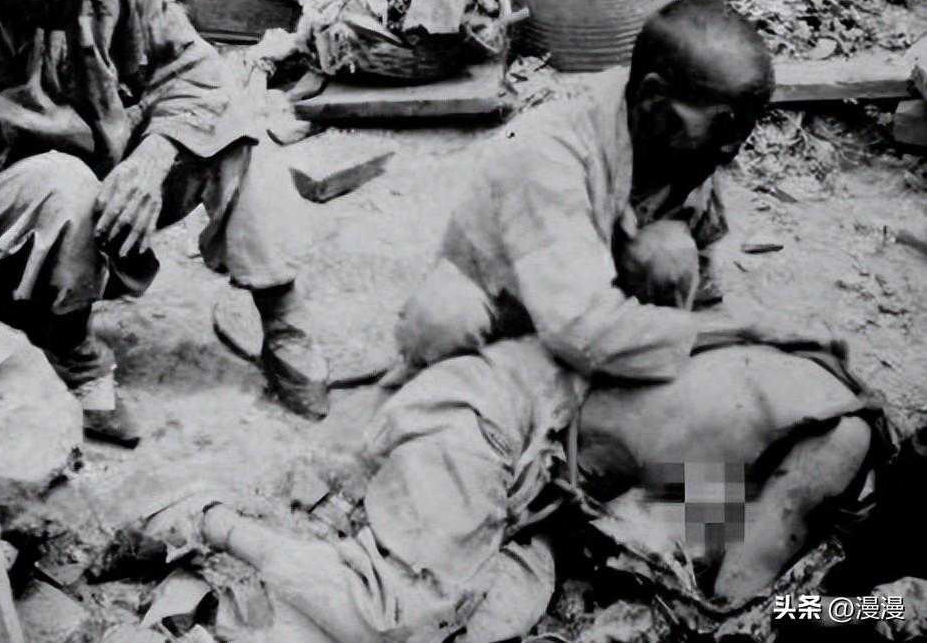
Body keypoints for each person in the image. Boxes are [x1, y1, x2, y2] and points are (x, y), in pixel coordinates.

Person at [139, 230, 883, 640]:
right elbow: (734, 604)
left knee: (493, 622)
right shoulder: (839, 443)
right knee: (397, 619)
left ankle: (236, 611)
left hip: (540, 471)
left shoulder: (817, 402)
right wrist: (869, 609)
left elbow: (674, 511)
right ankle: (203, 517)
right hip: (484, 419)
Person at [0, 0, 328, 443]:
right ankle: (72, 353)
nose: (89, 0)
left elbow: (195, 72)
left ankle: (283, 318)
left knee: (231, 121)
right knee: (63, 183)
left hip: (103, 166)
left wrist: (154, 155)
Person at [390, 0, 774, 385]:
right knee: (447, 316)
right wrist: (742, 330)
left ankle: (616, 386)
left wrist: (721, 339)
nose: (733, 147)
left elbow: (703, 283)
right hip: (509, 311)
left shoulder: (684, 145)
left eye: (744, 128)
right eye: (724, 124)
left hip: (594, 306)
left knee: (667, 252)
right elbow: (577, 328)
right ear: (653, 98)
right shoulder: (549, 150)